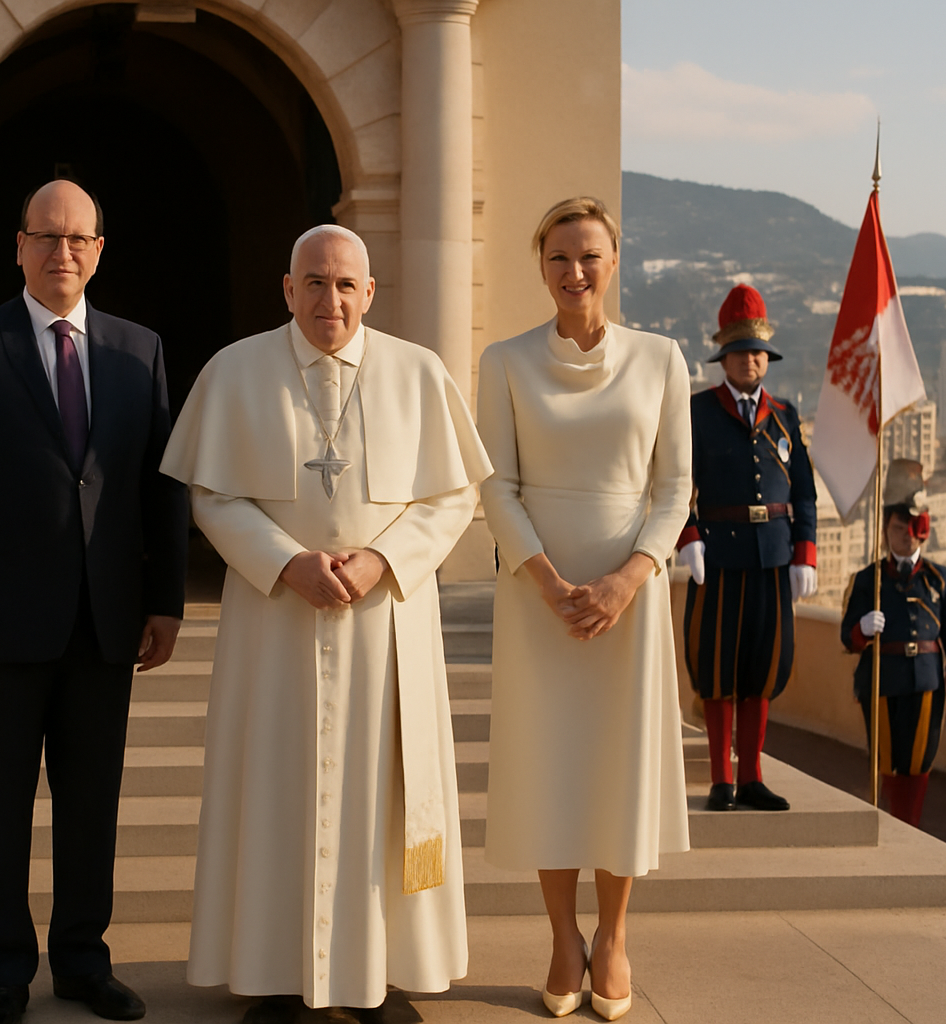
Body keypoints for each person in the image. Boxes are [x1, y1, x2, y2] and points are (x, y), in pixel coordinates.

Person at [160, 224, 491, 1024]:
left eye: (346, 285)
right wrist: (283, 560)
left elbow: (452, 497)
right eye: (313, 282)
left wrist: (382, 560)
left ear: (370, 294)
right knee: (272, 793)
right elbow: (211, 495)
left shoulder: (418, 374)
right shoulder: (236, 372)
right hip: (274, 623)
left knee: (384, 802)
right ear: (286, 288)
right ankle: (274, 975)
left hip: (385, 627)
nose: (329, 299)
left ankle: (380, 972)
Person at [0, 180, 189, 1024]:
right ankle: (2, 970)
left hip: (106, 621)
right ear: (18, 246)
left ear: (100, 250)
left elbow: (161, 488)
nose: (62, 252)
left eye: (79, 238)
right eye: (46, 236)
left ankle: (82, 960)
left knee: (92, 801)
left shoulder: (142, 352)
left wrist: (166, 599)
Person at [476, 197, 692, 1021]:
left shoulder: (663, 359)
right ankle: (563, 937)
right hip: (538, 600)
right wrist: (546, 580)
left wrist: (627, 579)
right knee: (549, 763)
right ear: (541, 265)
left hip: (629, 600)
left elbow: (674, 487)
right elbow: (496, 483)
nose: (575, 272)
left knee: (617, 764)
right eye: (560, 257)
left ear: (613, 263)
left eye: (590, 257)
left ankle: (614, 937)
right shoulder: (503, 360)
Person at [676, 283, 818, 813]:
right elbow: (673, 484)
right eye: (740, 353)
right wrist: (687, 537)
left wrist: (806, 552)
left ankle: (753, 775)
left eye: (758, 353)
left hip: (773, 558)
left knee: (763, 668)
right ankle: (720, 779)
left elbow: (803, 490)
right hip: (718, 558)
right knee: (717, 670)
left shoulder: (785, 414)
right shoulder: (698, 411)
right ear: (724, 359)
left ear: (767, 358)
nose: (750, 361)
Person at [841, 460, 946, 827]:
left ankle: (909, 826)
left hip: (927, 682)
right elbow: (846, 636)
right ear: (886, 530)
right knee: (887, 760)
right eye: (898, 529)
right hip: (881, 681)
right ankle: (892, 824)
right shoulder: (869, 580)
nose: (905, 537)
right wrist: (862, 629)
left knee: (919, 761)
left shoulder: (937, 579)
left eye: (911, 529)